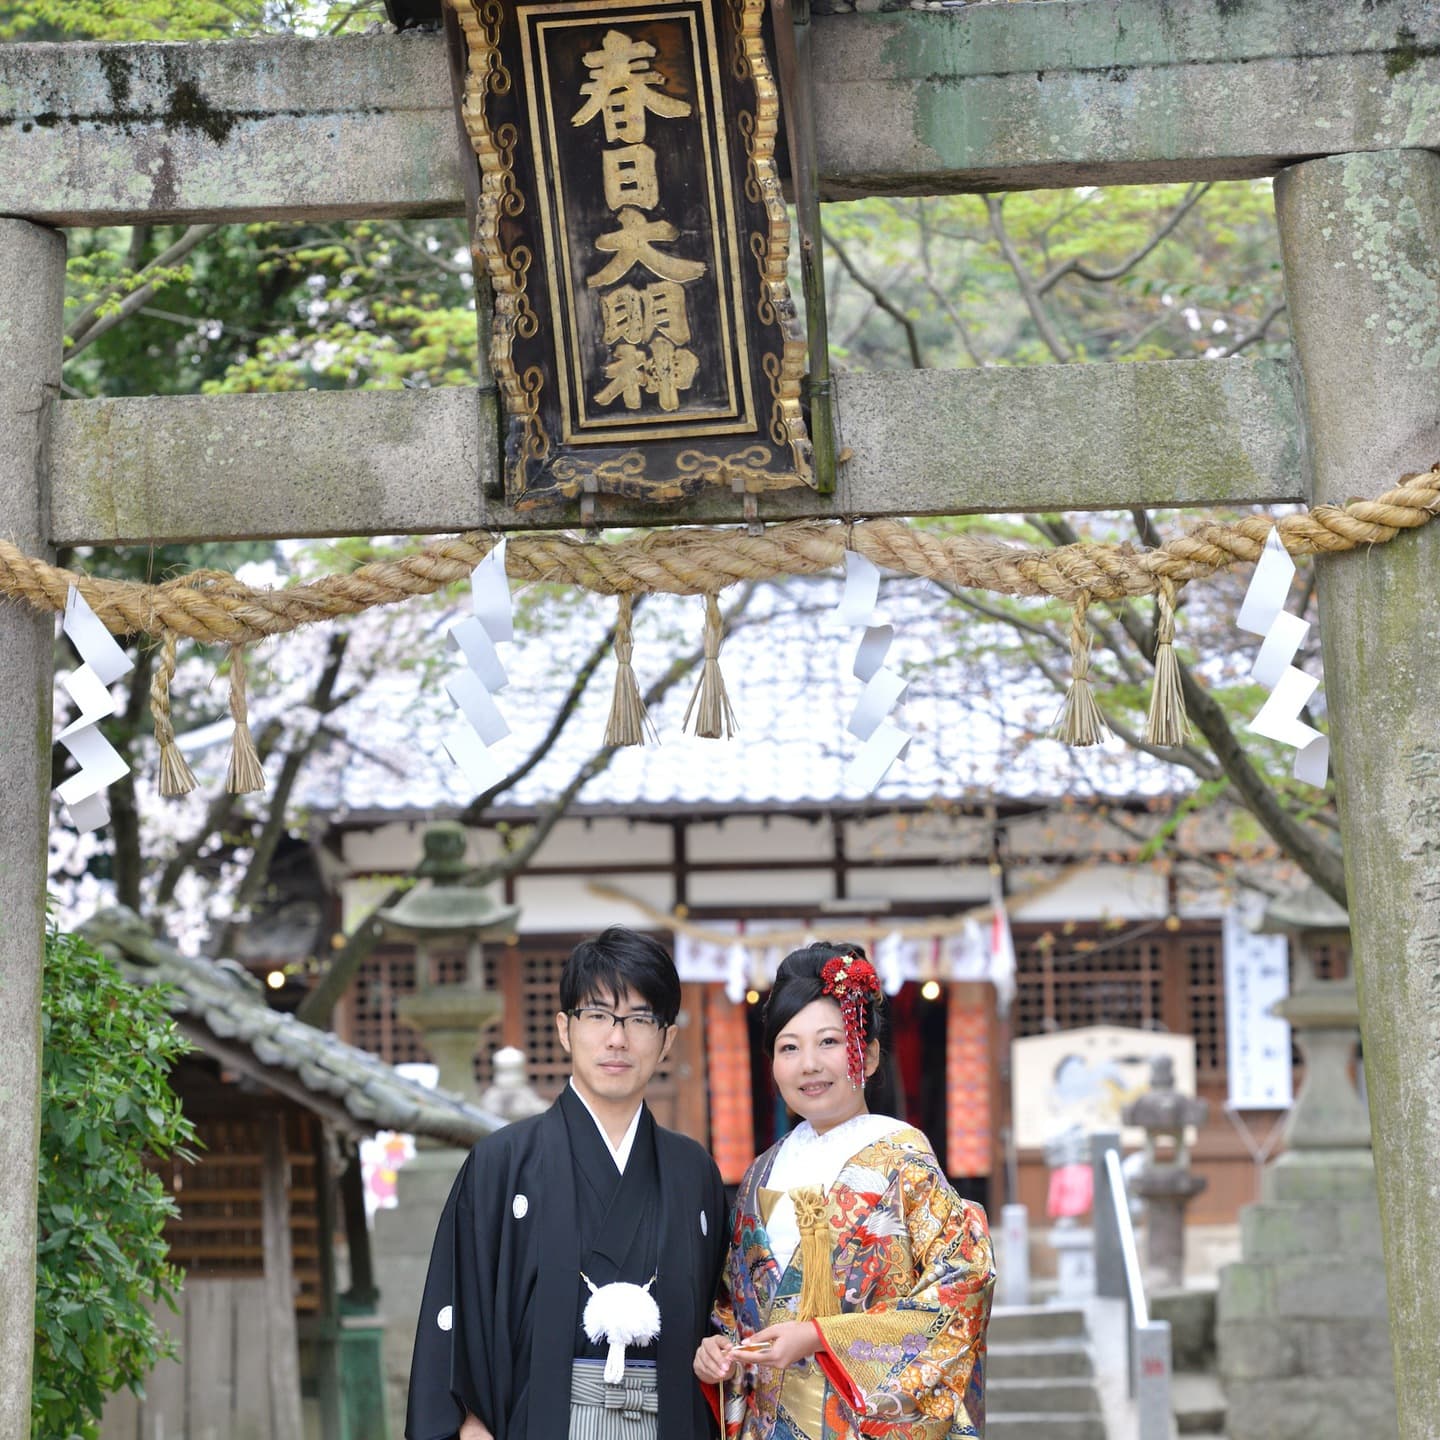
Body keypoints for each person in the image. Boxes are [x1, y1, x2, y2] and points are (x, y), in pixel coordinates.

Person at [407, 926, 728, 1440]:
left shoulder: (695, 1174)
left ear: (667, 1038)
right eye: (597, 1015)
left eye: (640, 1018)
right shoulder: (502, 1162)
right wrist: (468, 1424)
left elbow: (723, 1316)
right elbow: (454, 1313)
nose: (616, 1037)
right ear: (564, 1028)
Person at [694, 943, 994, 1439]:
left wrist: (818, 1337)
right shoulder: (760, 1174)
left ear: (869, 1055)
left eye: (829, 1042)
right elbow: (732, 1306)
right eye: (789, 1047)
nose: (808, 1064)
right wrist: (719, 1350)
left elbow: (964, 1283)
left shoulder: (903, 1158)